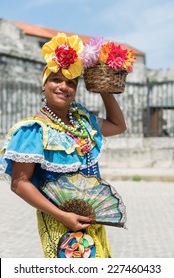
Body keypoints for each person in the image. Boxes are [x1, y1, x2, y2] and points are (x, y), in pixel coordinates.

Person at [0, 32, 126, 258]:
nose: (63, 87)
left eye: (71, 82)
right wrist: (62, 215)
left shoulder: (83, 121)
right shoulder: (32, 131)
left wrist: (104, 90)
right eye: (56, 79)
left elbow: (118, 126)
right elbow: (19, 184)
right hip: (60, 224)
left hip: (94, 219)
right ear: (44, 84)